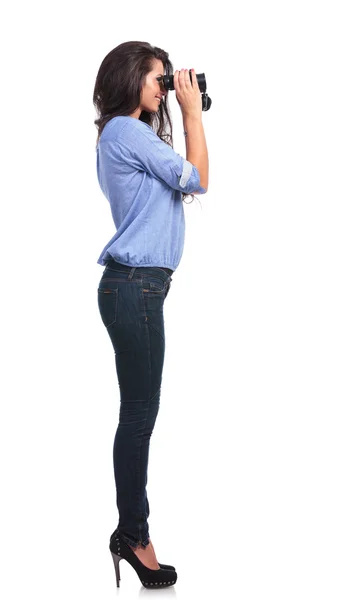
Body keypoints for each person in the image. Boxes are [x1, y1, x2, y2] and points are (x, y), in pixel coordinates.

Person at [92, 41, 209, 589]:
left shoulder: (128, 136)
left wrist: (181, 111)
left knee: (139, 413)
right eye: (158, 79)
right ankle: (133, 536)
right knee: (139, 415)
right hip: (134, 288)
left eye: (169, 80)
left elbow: (180, 183)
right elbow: (196, 178)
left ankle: (131, 531)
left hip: (139, 289)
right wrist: (190, 115)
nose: (165, 88)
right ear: (129, 76)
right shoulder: (125, 130)